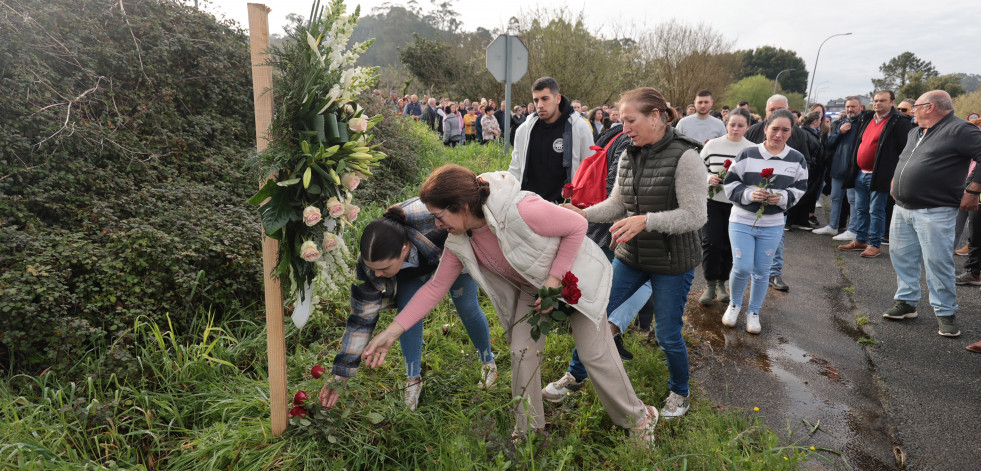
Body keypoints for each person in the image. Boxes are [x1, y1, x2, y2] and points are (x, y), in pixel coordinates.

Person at [360, 165, 659, 441]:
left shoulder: (519, 209)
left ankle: (639, 419)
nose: (437, 225)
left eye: (440, 216)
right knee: (521, 352)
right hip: (535, 290)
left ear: (462, 206)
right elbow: (436, 287)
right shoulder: (460, 239)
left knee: (594, 354)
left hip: (573, 279)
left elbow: (576, 226)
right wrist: (391, 332)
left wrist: (555, 279)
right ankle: (529, 430)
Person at [548, 87, 707, 419]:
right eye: (621, 122)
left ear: (655, 116)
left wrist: (646, 220)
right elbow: (618, 205)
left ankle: (680, 391)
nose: (625, 129)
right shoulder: (628, 154)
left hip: (671, 262)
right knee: (595, 314)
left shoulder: (686, 157)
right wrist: (583, 213)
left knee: (667, 333)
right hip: (631, 257)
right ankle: (576, 376)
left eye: (630, 121)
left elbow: (696, 216)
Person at [320, 199, 496, 411]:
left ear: (403, 250)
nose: (377, 275)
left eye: (383, 269)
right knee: (407, 313)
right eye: (373, 269)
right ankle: (413, 379)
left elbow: (474, 213)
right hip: (413, 267)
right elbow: (361, 319)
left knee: (466, 305)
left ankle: (488, 362)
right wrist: (341, 374)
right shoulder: (372, 263)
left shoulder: (436, 220)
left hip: (452, 249)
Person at [882, 90, 981, 337]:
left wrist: (974, 189)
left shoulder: (960, 130)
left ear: (931, 107)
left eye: (915, 106)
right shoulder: (915, 131)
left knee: (938, 262)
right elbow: (904, 159)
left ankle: (945, 312)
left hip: (936, 210)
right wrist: (896, 180)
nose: (912, 110)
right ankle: (906, 302)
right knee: (902, 257)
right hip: (903, 208)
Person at [721, 109, 808, 334]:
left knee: (762, 270)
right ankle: (734, 305)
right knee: (741, 267)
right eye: (775, 128)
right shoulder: (747, 154)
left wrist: (782, 198)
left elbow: (800, 188)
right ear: (765, 128)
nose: (779, 134)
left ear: (791, 132)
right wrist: (750, 195)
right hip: (742, 220)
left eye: (785, 130)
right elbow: (730, 184)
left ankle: (754, 312)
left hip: (772, 224)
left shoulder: (797, 159)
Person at [745, 94, 821, 291]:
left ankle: (774, 273)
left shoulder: (796, 134)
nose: (776, 113)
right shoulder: (754, 131)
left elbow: (805, 162)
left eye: (781, 109)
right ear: (765, 111)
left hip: (780, 198)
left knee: (776, 237)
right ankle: (747, 273)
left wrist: (787, 193)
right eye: (772, 110)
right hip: (751, 199)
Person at [838, 90, 913, 258]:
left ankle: (875, 244)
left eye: (883, 101)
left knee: (876, 210)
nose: (878, 103)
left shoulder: (899, 122)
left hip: (880, 174)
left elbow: (904, 150)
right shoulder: (867, 118)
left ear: (892, 102)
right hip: (860, 173)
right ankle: (861, 239)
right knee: (861, 208)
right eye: (876, 100)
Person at [700, 107, 755, 306]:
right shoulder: (712, 146)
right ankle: (710, 284)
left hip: (738, 206)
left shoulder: (752, 150)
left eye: (740, 125)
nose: (735, 129)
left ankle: (722, 283)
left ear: (747, 127)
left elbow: (754, 177)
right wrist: (708, 178)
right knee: (711, 242)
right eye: (732, 124)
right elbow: (698, 169)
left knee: (730, 245)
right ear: (726, 124)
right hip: (712, 202)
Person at [508, 77, 594, 203]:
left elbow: (590, 169)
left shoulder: (579, 127)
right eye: (536, 100)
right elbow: (516, 168)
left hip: (563, 208)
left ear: (558, 98)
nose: (540, 105)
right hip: (529, 206)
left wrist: (582, 205)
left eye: (545, 98)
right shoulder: (524, 130)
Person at [815, 97, 863, 238]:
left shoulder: (863, 123)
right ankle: (833, 226)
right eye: (848, 106)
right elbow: (829, 144)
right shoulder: (842, 123)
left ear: (860, 107)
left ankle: (853, 230)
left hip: (853, 169)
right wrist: (839, 132)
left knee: (853, 200)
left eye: (853, 106)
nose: (850, 109)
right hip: (838, 168)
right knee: (835, 198)